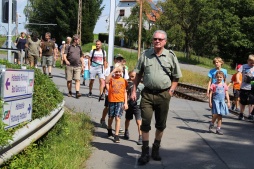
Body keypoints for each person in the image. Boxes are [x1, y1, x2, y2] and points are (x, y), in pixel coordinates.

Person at [130, 30, 182, 165]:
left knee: (160, 124)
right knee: (145, 122)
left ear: (165, 41)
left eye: (160, 39)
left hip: (163, 94)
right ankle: (145, 152)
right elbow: (138, 75)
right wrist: (133, 91)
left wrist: (171, 90)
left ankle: (156, 149)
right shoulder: (145, 55)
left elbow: (176, 76)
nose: (157, 41)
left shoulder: (170, 56)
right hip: (147, 94)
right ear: (152, 40)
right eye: (155, 39)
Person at [100, 54, 129, 130]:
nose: (119, 61)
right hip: (110, 92)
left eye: (120, 59)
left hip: (119, 94)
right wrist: (109, 91)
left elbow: (125, 82)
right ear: (114, 60)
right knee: (107, 107)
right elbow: (106, 81)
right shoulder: (110, 69)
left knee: (118, 111)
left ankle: (117, 127)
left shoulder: (124, 70)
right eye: (117, 59)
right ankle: (103, 119)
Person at [105, 63, 128, 143]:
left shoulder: (124, 81)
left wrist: (126, 103)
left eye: (119, 72)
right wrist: (113, 71)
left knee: (118, 117)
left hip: (120, 101)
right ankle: (109, 127)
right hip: (112, 100)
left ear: (122, 72)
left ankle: (116, 135)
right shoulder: (111, 79)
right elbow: (106, 81)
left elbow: (125, 92)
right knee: (111, 117)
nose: (118, 73)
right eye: (116, 72)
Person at [124, 70, 144, 145]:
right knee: (128, 119)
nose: (131, 78)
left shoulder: (141, 85)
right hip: (129, 105)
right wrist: (125, 103)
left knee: (138, 121)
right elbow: (125, 93)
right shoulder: (128, 84)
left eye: (133, 76)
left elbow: (143, 95)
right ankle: (126, 131)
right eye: (130, 76)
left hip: (137, 106)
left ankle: (140, 136)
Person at [209, 71, 230, 135]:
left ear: (223, 77)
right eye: (218, 77)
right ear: (215, 77)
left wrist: (228, 101)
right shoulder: (213, 85)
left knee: (220, 115)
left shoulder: (224, 85)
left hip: (222, 101)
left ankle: (218, 128)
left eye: (220, 77)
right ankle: (212, 122)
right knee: (217, 113)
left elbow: (226, 93)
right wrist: (210, 102)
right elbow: (210, 94)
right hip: (216, 101)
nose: (219, 78)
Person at [63, 34, 84, 99]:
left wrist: (83, 64)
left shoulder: (79, 47)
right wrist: (66, 61)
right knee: (69, 80)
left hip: (77, 66)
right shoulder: (68, 47)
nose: (79, 41)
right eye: (78, 39)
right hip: (69, 66)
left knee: (77, 79)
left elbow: (81, 56)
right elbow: (64, 55)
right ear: (75, 40)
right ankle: (70, 91)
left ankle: (77, 92)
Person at [236, 55, 254, 121]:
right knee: (243, 101)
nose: (252, 64)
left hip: (252, 86)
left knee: (251, 101)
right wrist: (238, 79)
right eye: (251, 63)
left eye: (253, 63)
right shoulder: (244, 66)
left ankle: (251, 114)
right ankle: (241, 113)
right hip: (244, 86)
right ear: (248, 61)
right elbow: (238, 73)